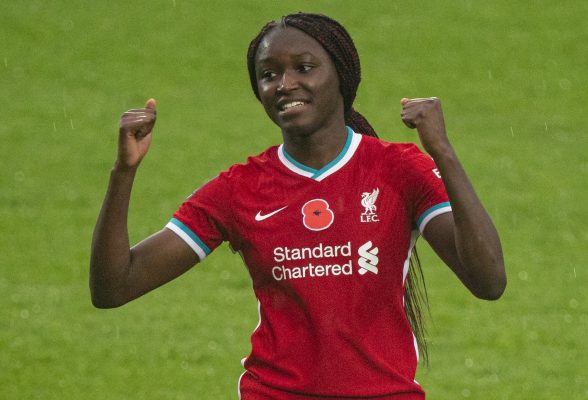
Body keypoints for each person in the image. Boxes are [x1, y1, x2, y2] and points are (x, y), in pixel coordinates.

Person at [90, 12, 506, 400]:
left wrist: (443, 153)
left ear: (340, 76)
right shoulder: (240, 188)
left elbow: (488, 281)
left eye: (304, 68)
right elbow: (115, 286)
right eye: (268, 75)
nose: (284, 84)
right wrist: (123, 172)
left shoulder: (398, 169)